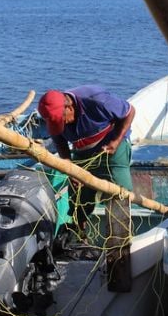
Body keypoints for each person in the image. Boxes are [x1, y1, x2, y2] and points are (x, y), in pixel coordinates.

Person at [38, 86, 135, 236]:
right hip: (83, 153)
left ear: (69, 107)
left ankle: (119, 239)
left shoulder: (97, 100)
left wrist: (116, 141)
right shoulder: (53, 118)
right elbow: (61, 144)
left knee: (119, 193)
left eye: (62, 120)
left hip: (112, 149)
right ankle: (79, 234)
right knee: (78, 197)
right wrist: (70, 170)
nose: (62, 125)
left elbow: (129, 112)